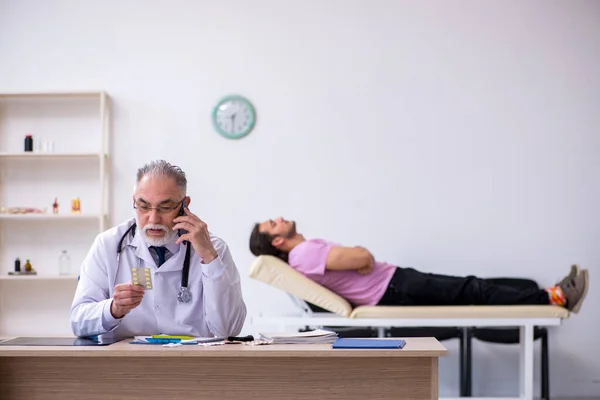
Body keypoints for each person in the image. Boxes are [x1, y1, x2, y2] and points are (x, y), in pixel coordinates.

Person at [249, 217, 589, 313]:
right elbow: (363, 257)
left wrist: (360, 255)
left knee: (473, 287)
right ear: (277, 242)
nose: (279, 219)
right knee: (471, 289)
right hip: (391, 287)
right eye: (272, 225)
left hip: (392, 283)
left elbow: (361, 255)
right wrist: (361, 255)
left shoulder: (306, 250)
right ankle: (555, 297)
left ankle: (550, 293)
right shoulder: (303, 253)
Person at [71, 160, 247, 339]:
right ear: (134, 202)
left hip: (193, 362)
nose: (153, 218)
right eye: (144, 206)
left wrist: (209, 258)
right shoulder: (108, 245)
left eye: (165, 207)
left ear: (185, 205)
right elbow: (78, 320)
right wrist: (112, 309)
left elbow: (229, 329)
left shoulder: (214, 249)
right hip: (128, 361)